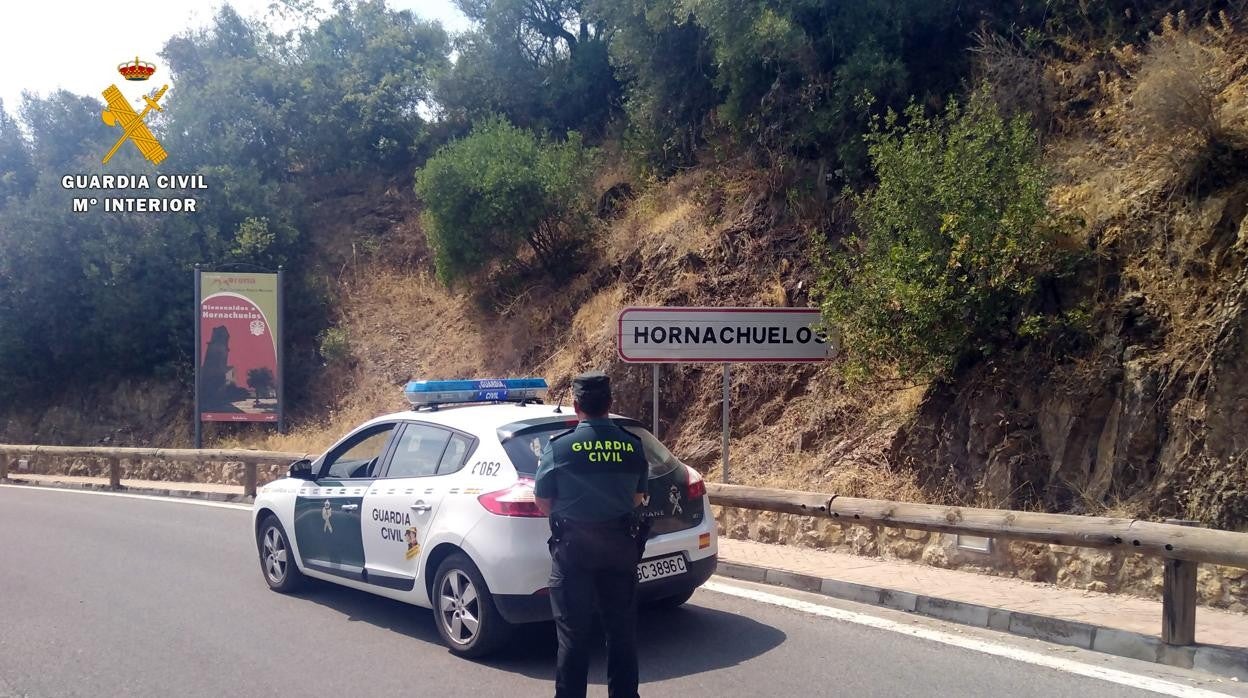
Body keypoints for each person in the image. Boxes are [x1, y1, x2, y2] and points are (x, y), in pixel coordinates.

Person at [535, 371, 649, 698]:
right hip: (619, 550)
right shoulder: (632, 445)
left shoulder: (560, 447)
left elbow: (543, 501)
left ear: (575, 406)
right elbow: (637, 497)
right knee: (622, 635)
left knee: (573, 637)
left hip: (573, 552)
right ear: (610, 404)